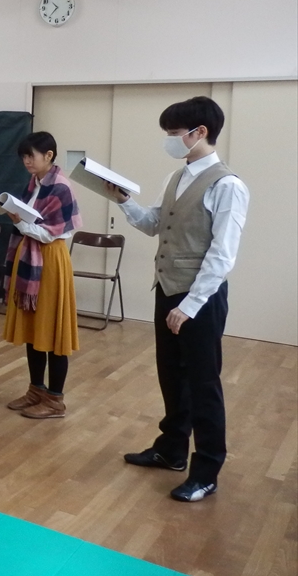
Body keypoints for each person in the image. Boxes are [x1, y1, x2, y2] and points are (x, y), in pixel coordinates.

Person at [105, 96, 249, 503]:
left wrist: (190, 305)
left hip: (200, 298)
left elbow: (222, 254)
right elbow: (156, 223)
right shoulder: (176, 177)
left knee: (203, 383)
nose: (169, 140)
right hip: (167, 289)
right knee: (171, 375)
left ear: (200, 132)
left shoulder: (228, 185)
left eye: (173, 133)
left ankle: (207, 470)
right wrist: (124, 200)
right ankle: (171, 450)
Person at [0, 132, 82, 419]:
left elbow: (51, 233)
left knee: (53, 329)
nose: (26, 161)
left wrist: (19, 222)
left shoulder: (61, 187)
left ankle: (55, 399)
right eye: (23, 156)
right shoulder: (33, 184)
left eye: (31, 155)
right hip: (30, 258)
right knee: (33, 329)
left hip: (50, 260)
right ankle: (36, 390)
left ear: (49, 155)